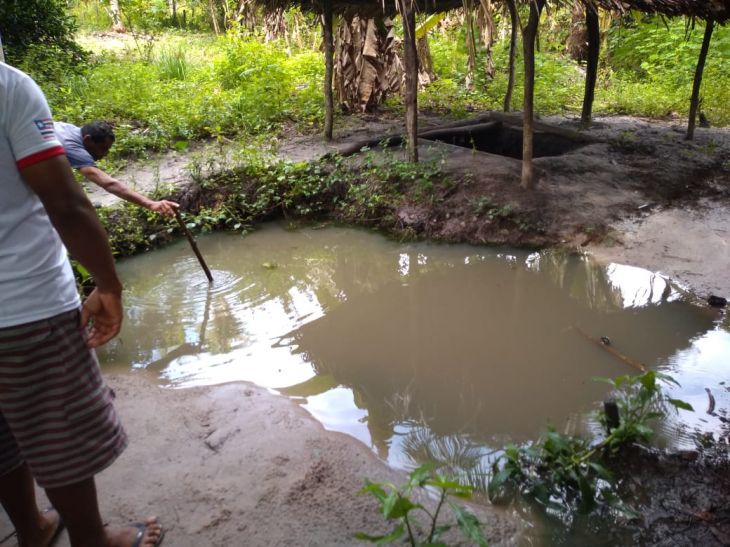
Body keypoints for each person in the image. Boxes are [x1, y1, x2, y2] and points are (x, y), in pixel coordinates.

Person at [0, 62, 164, 547]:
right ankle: (94, 541)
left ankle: (32, 527)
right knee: (58, 431)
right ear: (92, 146)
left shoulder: (65, 131)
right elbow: (77, 201)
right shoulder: (13, 89)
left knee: (3, 435)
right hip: (20, 305)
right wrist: (109, 284)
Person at [54, 120, 179, 216]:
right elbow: (109, 184)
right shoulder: (72, 147)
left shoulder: (69, 129)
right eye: (103, 148)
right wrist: (150, 204)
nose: (105, 154)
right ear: (87, 139)